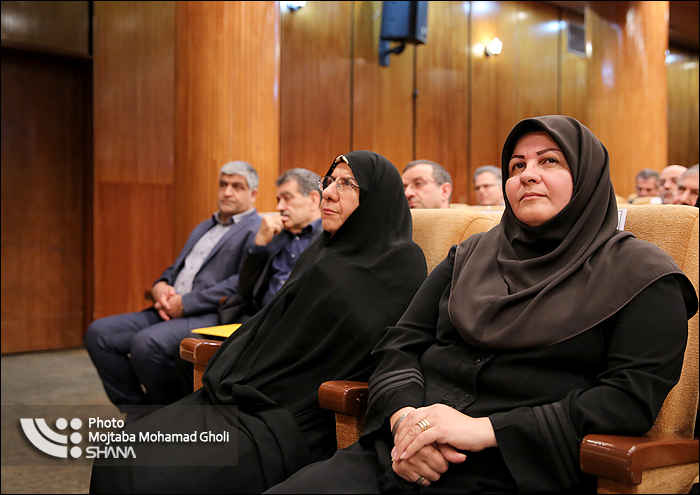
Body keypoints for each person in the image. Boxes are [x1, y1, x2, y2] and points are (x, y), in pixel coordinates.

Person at [268, 115, 698, 493]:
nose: (527, 175)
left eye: (549, 161)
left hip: (520, 468)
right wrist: (405, 420)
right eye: (517, 165)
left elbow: (627, 400)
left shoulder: (642, 274)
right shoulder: (471, 254)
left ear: (587, 177)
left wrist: (484, 430)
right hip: (402, 453)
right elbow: (399, 344)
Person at [89, 151, 427, 493]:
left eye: (346, 184)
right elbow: (272, 314)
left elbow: (379, 349)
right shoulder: (324, 249)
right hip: (251, 390)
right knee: (119, 452)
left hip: (298, 414)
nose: (328, 192)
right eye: (329, 181)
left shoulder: (399, 264)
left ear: (376, 198)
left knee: (154, 478)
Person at [84, 161, 262, 414]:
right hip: (168, 307)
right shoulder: (205, 226)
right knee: (99, 333)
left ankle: (172, 415)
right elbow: (177, 268)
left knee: (146, 344)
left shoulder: (255, 230)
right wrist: (161, 285)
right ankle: (139, 411)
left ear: (253, 194)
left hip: (210, 315)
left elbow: (241, 283)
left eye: (237, 186)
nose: (227, 192)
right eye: (223, 185)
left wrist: (185, 304)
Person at [219, 168, 323, 323]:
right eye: (278, 200)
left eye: (287, 198)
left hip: (299, 323)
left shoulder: (329, 237)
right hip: (258, 320)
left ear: (313, 199)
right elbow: (244, 290)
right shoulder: (273, 234)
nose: (279, 207)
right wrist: (259, 243)